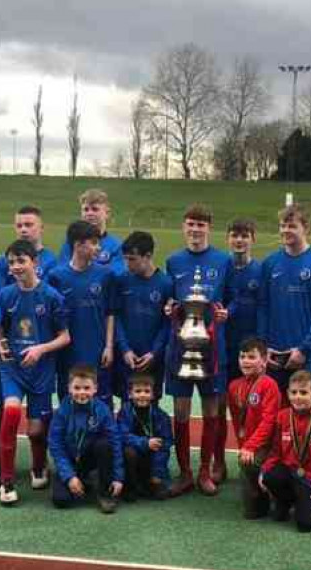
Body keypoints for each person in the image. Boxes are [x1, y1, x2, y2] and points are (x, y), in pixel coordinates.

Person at [0, 239, 71, 506]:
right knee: (12, 412)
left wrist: (40, 349)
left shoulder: (51, 297)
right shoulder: (5, 295)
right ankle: (6, 482)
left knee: (37, 431)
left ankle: (39, 466)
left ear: (34, 263)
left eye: (21, 261)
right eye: (11, 262)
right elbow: (0, 329)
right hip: (13, 369)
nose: (15, 267)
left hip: (41, 372)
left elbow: (65, 337)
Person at [164, 203, 233, 497]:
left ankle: (205, 470)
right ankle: (185, 473)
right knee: (179, 410)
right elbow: (169, 299)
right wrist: (169, 308)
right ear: (184, 227)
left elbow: (233, 298)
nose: (195, 230)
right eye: (191, 224)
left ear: (209, 228)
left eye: (201, 225)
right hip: (181, 346)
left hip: (212, 347)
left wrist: (225, 313)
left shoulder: (223, 260)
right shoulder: (173, 261)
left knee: (212, 410)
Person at [258, 203, 311, 395]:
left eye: (292, 226)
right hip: (274, 354)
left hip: (307, 355)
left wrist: (304, 349)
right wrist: (263, 346)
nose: (286, 230)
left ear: (306, 228)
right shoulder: (269, 263)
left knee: (305, 416)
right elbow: (263, 306)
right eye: (283, 225)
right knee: (274, 416)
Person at [259, 370, 311, 533]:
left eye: (303, 392)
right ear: (288, 394)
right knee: (270, 477)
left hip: (308, 479)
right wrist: (264, 471)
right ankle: (285, 501)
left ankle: (303, 501)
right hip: (288, 472)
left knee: (305, 525)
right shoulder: (282, 417)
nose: (298, 397)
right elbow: (275, 451)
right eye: (294, 392)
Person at [48, 221, 117, 402]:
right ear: (78, 245)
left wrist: (109, 346)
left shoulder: (106, 275)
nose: (98, 247)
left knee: (101, 403)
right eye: (93, 243)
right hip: (67, 353)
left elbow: (110, 313)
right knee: (68, 401)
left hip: (97, 351)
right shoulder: (56, 277)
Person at [219, 219, 262, 484]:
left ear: (253, 239)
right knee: (224, 407)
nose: (239, 240)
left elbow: (266, 306)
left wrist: (262, 345)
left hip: (252, 351)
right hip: (224, 348)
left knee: (255, 409)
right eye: (235, 235)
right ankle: (220, 461)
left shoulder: (262, 269)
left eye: (244, 235)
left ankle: (255, 459)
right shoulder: (221, 268)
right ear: (227, 238)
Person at [48, 365, 124, 513]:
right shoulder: (63, 411)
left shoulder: (102, 410)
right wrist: (69, 476)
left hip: (90, 458)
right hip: (70, 460)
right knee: (61, 500)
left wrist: (118, 477)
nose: (82, 393)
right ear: (69, 388)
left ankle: (104, 492)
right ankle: (80, 479)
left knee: (105, 445)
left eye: (86, 388)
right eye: (77, 388)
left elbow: (115, 442)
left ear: (95, 388)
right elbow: (55, 445)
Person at [227, 338, 281, 519]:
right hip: (250, 444)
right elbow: (237, 421)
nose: (245, 361)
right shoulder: (234, 386)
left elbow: (269, 421)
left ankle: (274, 495)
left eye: (252, 357)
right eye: (242, 356)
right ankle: (258, 498)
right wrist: (244, 445)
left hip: (270, 445)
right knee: (250, 513)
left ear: (264, 361)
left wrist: (250, 446)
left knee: (248, 462)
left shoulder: (269, 385)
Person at [115, 231, 173, 401]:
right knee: (127, 404)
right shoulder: (122, 280)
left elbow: (167, 323)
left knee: (150, 405)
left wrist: (155, 352)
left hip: (152, 358)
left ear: (147, 256)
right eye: (125, 258)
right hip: (127, 356)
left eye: (132, 259)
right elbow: (116, 317)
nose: (127, 264)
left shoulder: (166, 284)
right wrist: (124, 349)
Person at [116, 372, 173, 500]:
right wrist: (145, 442)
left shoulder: (161, 416)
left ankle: (151, 480)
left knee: (161, 495)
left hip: (151, 459)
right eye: (138, 391)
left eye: (147, 391)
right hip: (132, 456)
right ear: (130, 394)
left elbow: (165, 444)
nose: (142, 394)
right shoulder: (124, 413)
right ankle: (129, 486)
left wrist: (157, 473)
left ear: (153, 395)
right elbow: (121, 436)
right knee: (128, 452)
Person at [57, 189, 125, 275]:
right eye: (86, 210)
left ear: (107, 213)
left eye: (95, 209)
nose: (89, 213)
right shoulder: (72, 241)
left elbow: (116, 275)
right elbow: (62, 270)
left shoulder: (116, 246)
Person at [0, 205, 58, 287]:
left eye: (28, 225)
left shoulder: (50, 261)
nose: (23, 230)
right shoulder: (5, 259)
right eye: (19, 226)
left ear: (41, 228)